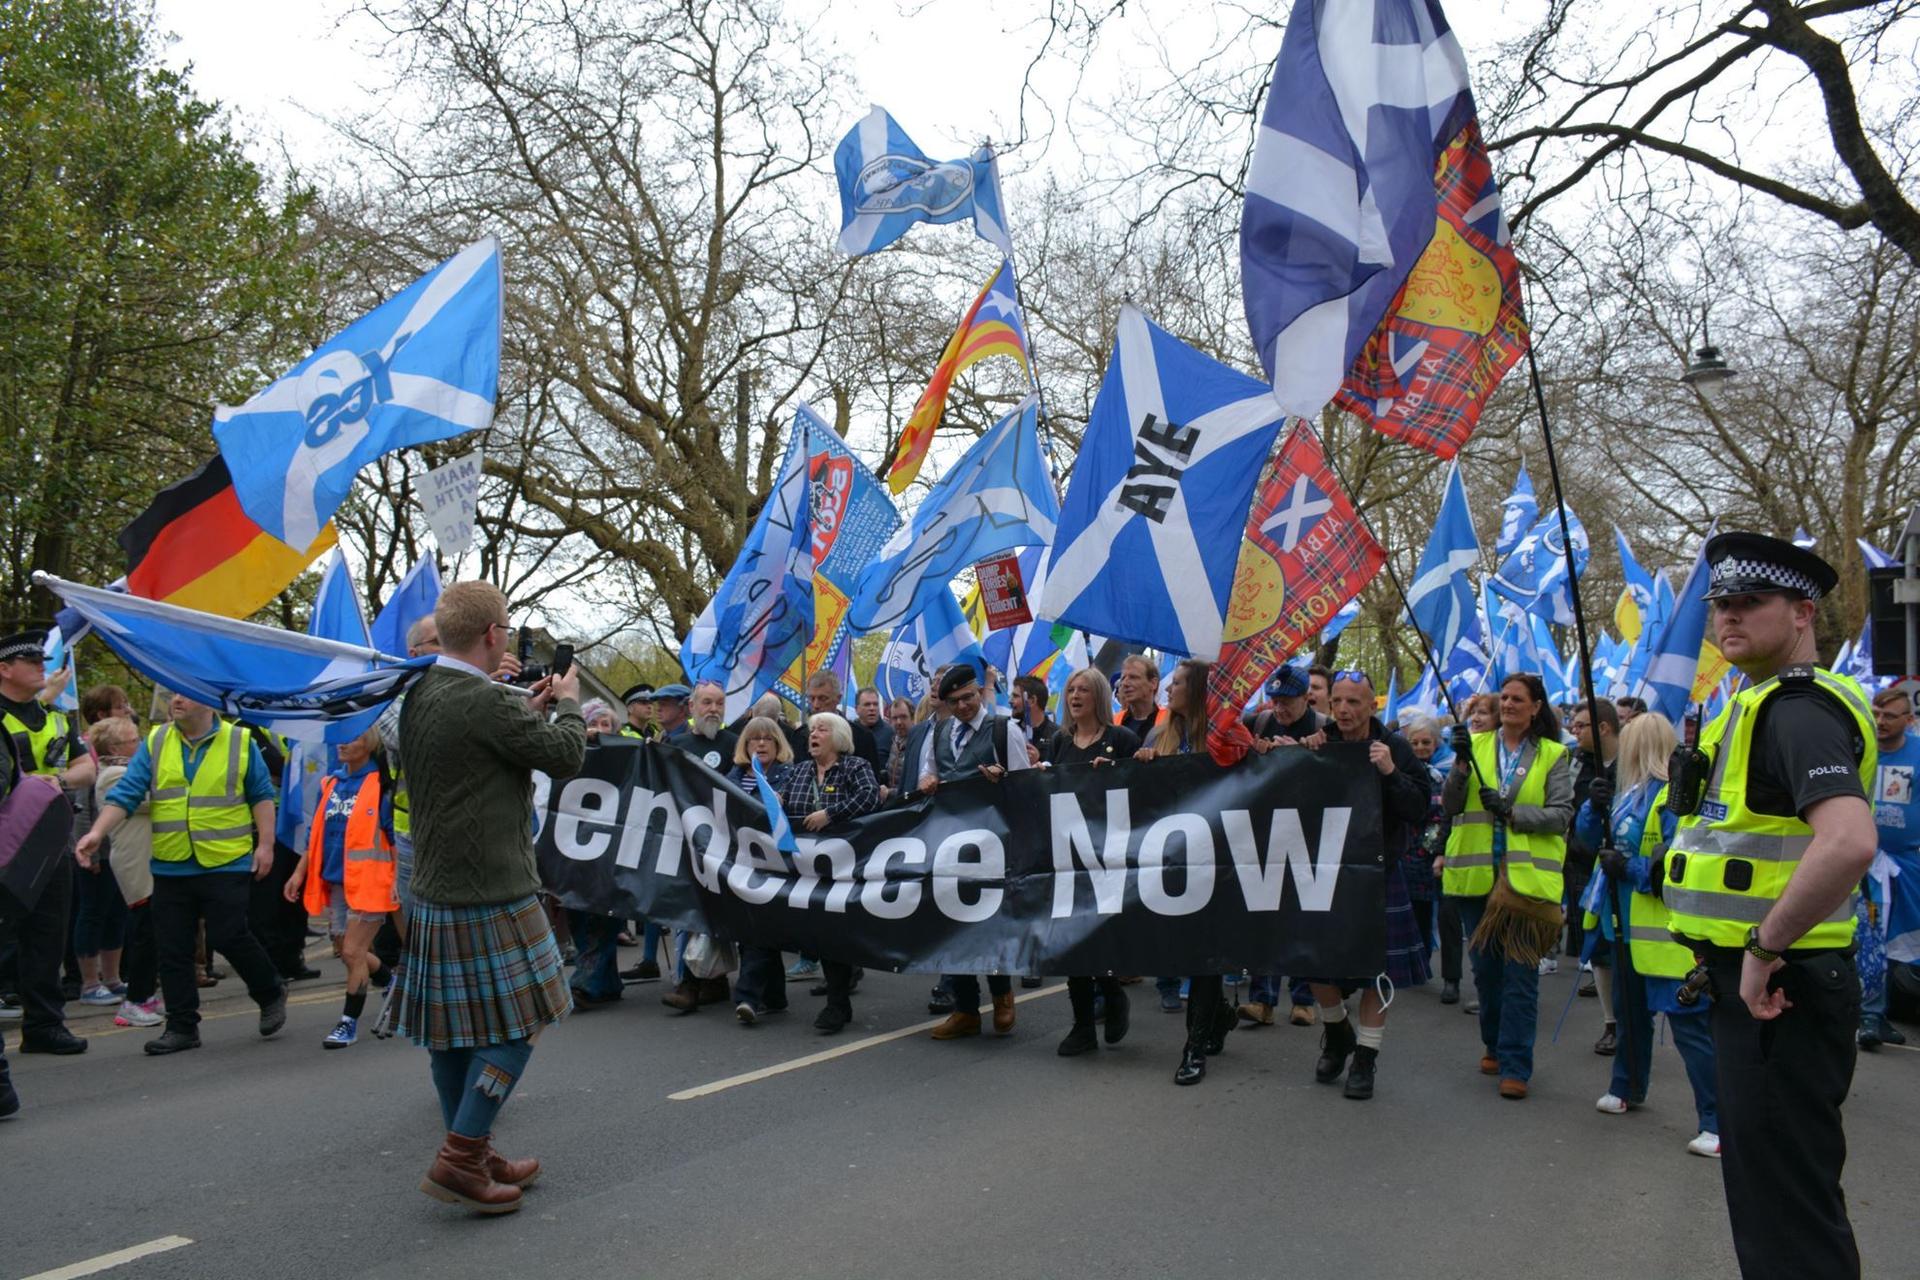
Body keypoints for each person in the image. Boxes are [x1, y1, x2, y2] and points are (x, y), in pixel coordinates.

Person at [1660, 533, 1878, 1278]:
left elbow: (1848, 843)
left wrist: (1762, 948)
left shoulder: (1796, 709)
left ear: (1803, 613)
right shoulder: (1753, 707)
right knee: (1781, 1204)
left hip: (1780, 990)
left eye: (1751, 602)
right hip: (1769, 988)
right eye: (1722, 603)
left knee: (1787, 1220)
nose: (1729, 617)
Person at [379, 581, 586, 1214]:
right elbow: (566, 756)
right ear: (494, 635)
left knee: (452, 1036)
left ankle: (471, 1146)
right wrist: (569, 703)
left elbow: (476, 745)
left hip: (436, 888)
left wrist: (525, 705)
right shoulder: (481, 701)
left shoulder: (418, 694)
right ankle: (463, 1155)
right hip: (494, 888)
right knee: (526, 1020)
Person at [75, 692, 285, 1056]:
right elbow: (126, 793)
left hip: (225, 859)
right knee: (172, 947)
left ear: (208, 701)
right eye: (172, 693)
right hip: (171, 863)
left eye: (185, 693)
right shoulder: (157, 741)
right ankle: (182, 1025)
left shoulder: (239, 741)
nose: (176, 699)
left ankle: (269, 991)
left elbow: (261, 795)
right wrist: (97, 833)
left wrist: (265, 845)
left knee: (229, 935)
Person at [1573, 712, 1721, 1156]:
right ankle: (1627, 1086)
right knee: (1629, 1013)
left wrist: (1631, 868)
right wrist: (1591, 807)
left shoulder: (1673, 798)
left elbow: (1679, 863)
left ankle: (1716, 1121)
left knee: (1689, 1027)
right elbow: (1587, 839)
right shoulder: (1627, 794)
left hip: (1665, 935)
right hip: (1623, 926)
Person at [1138, 658, 1272, 1084]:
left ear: (1197, 689)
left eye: (1176, 683)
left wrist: (1260, 754)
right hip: (1175, 862)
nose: (1169, 690)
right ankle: (1221, 1014)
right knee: (1182, 948)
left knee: (1205, 953)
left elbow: (1254, 782)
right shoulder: (1161, 735)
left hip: (1220, 862)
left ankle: (1193, 1047)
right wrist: (1140, 766)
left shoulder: (1229, 732)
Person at [1442, 672, 1573, 1100]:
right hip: (1475, 877)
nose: (1510, 704)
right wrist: (1460, 766)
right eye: (1506, 698)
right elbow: (1450, 804)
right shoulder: (1475, 746)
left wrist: (1514, 812)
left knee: (1521, 976)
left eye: (1519, 699)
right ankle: (1494, 1044)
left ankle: (1516, 1064)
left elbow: (1560, 814)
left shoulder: (1554, 754)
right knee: (1485, 973)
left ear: (1536, 707)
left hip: (1525, 882)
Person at [1305, 671, 1430, 1099]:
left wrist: (1392, 772)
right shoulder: (1321, 742)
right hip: (1327, 872)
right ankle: (1337, 1030)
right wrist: (1301, 759)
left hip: (1378, 872)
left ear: (1372, 706)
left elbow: (1418, 808)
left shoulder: (1393, 747)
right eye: (1336, 701)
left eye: (1353, 702)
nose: (1342, 710)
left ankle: (1365, 1058)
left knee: (1379, 972)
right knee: (1312, 960)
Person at [906, 665, 1030, 1039]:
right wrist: (928, 782)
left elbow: (1026, 786)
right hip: (948, 843)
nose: (963, 706)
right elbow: (926, 778)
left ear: (979, 693)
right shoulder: (938, 732)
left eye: (969, 697)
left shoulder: (1002, 729)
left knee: (989, 921)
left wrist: (1002, 779)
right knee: (951, 922)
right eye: (955, 701)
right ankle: (965, 1008)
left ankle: (1002, 994)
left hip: (992, 842)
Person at [0, 629, 95, 1055]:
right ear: (4, 669)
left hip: (52, 841)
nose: (43, 665)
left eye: (42, 659)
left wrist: (51, 780)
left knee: (49, 936)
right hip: (8, 845)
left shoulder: (56, 717)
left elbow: (85, 770)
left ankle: (44, 1025)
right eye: (30, 661)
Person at [283, 727, 398, 1049]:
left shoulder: (382, 787)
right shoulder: (330, 783)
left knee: (352, 951)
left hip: (371, 885)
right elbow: (314, 836)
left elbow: (395, 839)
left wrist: (397, 883)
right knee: (351, 955)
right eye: (342, 737)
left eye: (353, 737)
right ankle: (391, 981)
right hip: (336, 883)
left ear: (370, 744)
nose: (343, 743)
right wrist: (298, 873)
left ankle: (348, 1023)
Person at [1046, 667, 1139, 1055]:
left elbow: (1142, 792)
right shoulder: (1058, 741)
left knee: (1100, 933)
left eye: (1084, 689)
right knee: (1071, 938)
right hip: (1067, 853)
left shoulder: (1122, 738)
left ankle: (1114, 994)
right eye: (1071, 689)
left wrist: (1118, 774)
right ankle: (1083, 1025)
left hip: (1109, 853)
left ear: (1098, 696)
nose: (1075, 695)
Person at [771, 713, 882, 1033]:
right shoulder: (800, 771)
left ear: (839, 737)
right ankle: (838, 996)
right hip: (806, 868)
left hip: (845, 867)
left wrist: (830, 814)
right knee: (820, 932)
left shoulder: (855, 766)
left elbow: (869, 797)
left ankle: (837, 1003)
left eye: (821, 729)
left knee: (835, 932)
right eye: (811, 730)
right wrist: (777, 800)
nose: (813, 734)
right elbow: (788, 804)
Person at [87, 717, 162, 1028]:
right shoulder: (113, 776)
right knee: (146, 931)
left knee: (155, 930)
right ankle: (135, 1001)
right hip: (135, 862)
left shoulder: (131, 770)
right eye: (134, 741)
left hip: (150, 858)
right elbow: (152, 797)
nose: (141, 745)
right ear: (115, 747)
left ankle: (147, 995)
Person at [725, 717, 797, 1023]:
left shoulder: (790, 775)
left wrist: (785, 803)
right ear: (745, 745)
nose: (762, 744)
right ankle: (774, 996)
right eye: (755, 739)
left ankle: (748, 997)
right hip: (741, 861)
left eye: (769, 738)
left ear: (779, 744)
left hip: (776, 865)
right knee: (755, 930)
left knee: (759, 928)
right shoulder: (733, 776)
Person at [1860, 684, 1918, 1050]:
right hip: (1864, 862)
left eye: (1890, 716)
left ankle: (1884, 1014)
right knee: (1871, 938)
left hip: (1908, 865)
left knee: (1906, 941)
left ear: (1908, 721)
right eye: (1877, 714)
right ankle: (1870, 1016)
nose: (1880, 722)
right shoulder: (1860, 750)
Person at [1565, 700, 1620, 1038]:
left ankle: (1632, 1018)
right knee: (1597, 946)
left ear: (1603, 728)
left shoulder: (1633, 764)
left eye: (1582, 725)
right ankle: (1610, 1021)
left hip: (1619, 865)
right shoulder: (1574, 762)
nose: (1574, 730)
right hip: (1583, 864)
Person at [1403, 715, 1456, 1000]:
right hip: (1405, 849)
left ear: (1436, 742)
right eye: (1415, 742)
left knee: (1431, 912)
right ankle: (1415, 962)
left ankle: (1435, 967)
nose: (1421, 747)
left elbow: (1439, 816)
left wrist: (1432, 850)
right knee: (1412, 911)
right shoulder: (1406, 770)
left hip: (1430, 852)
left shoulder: (1440, 774)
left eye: (1426, 742)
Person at [803, 670, 880, 772]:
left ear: (838, 698)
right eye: (812, 698)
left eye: (823, 698)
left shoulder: (862, 737)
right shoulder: (800, 736)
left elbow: (872, 781)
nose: (816, 705)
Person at [665, 680, 738, 771]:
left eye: (720, 704)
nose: (714, 709)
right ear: (691, 706)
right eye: (707, 703)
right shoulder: (675, 745)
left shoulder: (736, 745)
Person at [1113, 654, 1164, 744]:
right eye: (1123, 678)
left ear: (1153, 683)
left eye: (1133, 677)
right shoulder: (1113, 722)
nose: (1125, 683)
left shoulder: (1170, 719)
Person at [1011, 674, 1057, 760]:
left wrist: (1038, 760)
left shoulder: (1057, 735)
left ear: (1032, 701)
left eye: (1015, 696)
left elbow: (1061, 770)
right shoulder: (1010, 731)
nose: (1010, 701)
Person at [855, 687, 893, 763]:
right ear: (857, 709)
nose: (872, 708)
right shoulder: (849, 732)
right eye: (867, 705)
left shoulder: (890, 733)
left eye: (875, 704)